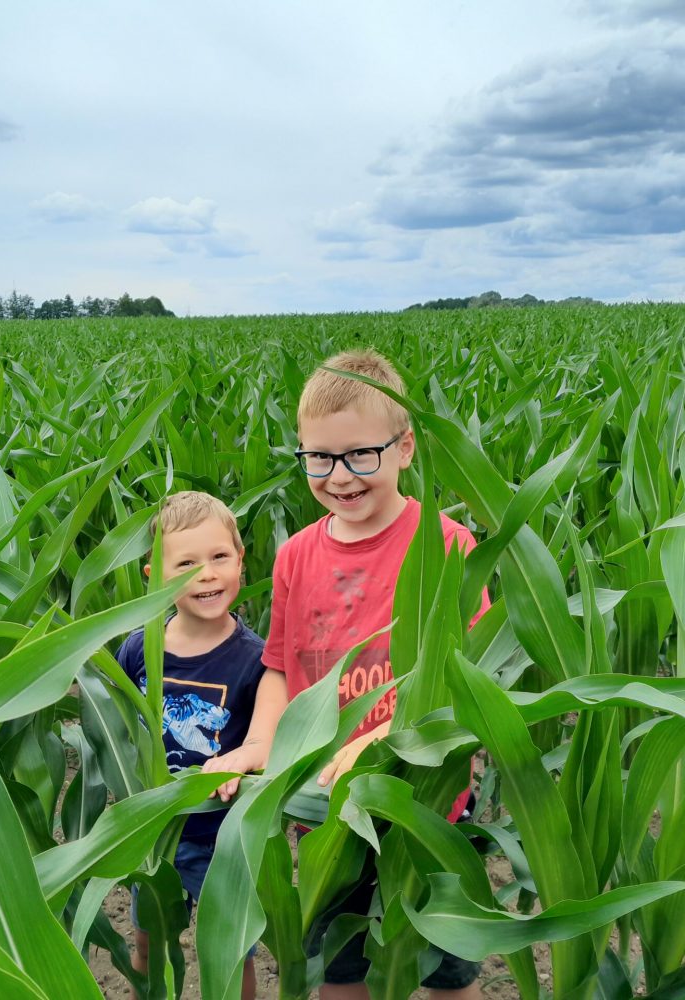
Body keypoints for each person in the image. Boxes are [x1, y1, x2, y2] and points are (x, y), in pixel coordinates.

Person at [261, 349, 489, 1000]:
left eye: (361, 455)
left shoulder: (445, 548)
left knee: (450, 969)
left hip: (429, 813)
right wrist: (265, 751)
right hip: (327, 820)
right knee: (339, 970)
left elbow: (465, 681)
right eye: (319, 459)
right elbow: (278, 669)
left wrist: (381, 737)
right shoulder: (294, 556)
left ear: (405, 447)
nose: (340, 476)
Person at [116, 491, 285, 1000]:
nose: (206, 574)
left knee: (232, 952)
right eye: (186, 563)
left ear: (240, 561)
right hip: (158, 836)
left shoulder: (254, 661)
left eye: (219, 558)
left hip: (223, 839)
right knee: (148, 936)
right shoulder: (139, 649)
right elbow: (121, 730)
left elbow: (267, 742)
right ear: (155, 577)